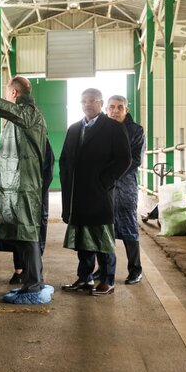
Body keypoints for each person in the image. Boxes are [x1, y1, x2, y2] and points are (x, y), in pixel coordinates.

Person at [0, 76, 53, 304]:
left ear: (13, 94)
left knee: (28, 233)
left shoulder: (29, 112)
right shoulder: (20, 116)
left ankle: (34, 284)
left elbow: (17, 113)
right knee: (22, 234)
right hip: (15, 187)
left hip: (25, 187)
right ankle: (31, 281)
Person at [60, 88, 131, 296]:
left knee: (102, 237)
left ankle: (107, 280)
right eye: (83, 101)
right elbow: (65, 159)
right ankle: (85, 279)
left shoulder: (113, 128)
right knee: (83, 238)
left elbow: (124, 159)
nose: (87, 104)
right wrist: (67, 184)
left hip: (100, 192)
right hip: (77, 192)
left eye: (92, 101)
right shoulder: (73, 128)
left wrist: (105, 181)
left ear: (100, 103)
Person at [103, 95, 145, 284]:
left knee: (128, 226)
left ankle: (135, 269)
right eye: (112, 107)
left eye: (120, 107)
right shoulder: (101, 129)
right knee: (103, 228)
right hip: (104, 186)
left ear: (126, 110)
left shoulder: (136, 131)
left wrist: (112, 170)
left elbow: (135, 159)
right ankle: (103, 268)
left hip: (126, 186)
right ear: (106, 109)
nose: (115, 111)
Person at [6, 138, 54, 285]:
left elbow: (48, 169)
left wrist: (38, 192)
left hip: (36, 194)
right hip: (16, 192)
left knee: (36, 230)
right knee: (17, 229)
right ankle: (19, 269)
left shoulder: (42, 140)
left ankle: (35, 270)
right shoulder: (13, 138)